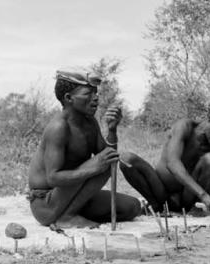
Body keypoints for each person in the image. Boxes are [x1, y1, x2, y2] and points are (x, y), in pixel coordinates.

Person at [28, 68, 141, 228]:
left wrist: (112, 130)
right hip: (47, 204)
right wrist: (93, 168)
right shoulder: (58, 128)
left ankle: (73, 212)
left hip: (74, 194)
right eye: (88, 94)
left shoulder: (90, 123)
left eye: (95, 93)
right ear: (68, 98)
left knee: (132, 207)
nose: (96, 98)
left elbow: (108, 155)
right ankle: (67, 217)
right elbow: (53, 178)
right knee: (105, 162)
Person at [119, 101, 210, 218]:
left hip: (187, 199)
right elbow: (172, 163)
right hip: (160, 191)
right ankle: (155, 205)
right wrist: (205, 195)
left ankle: (190, 208)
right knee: (127, 159)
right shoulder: (185, 127)